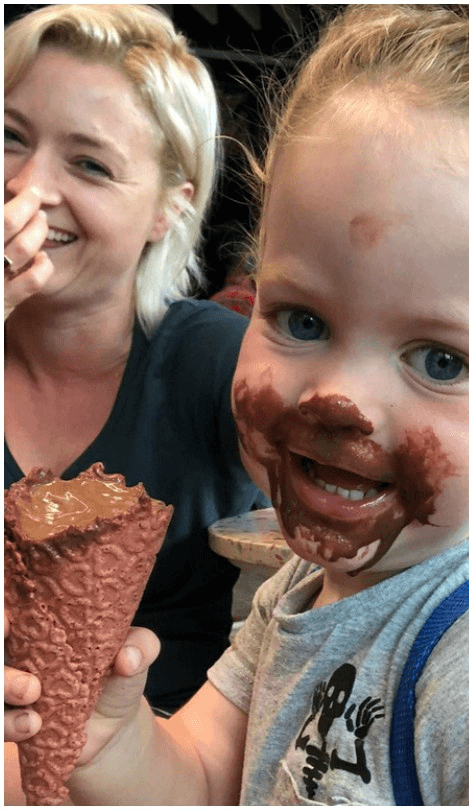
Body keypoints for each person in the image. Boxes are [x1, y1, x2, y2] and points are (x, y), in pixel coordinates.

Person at [2, 4, 469, 805]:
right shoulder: (302, 589)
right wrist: (111, 740)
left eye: (440, 360)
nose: (339, 399)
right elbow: (195, 778)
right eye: (302, 320)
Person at [3, 3, 269, 715]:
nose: (28, 189)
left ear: (168, 209)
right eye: (8, 136)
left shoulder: (216, 361)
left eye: (89, 164)